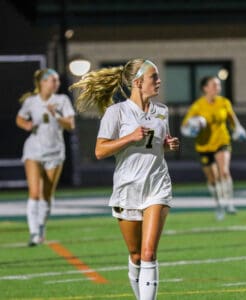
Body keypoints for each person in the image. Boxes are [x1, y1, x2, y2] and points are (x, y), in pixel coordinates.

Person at [71, 59, 179, 300]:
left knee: (149, 252)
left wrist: (167, 144)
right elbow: (100, 151)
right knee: (137, 255)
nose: (159, 81)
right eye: (155, 77)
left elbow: (159, 141)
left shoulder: (161, 111)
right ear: (138, 82)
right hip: (128, 189)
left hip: (157, 185)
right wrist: (129, 137)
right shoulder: (116, 112)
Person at [16, 68, 75, 246]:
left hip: (55, 151)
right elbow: (19, 118)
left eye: (57, 80)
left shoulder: (62, 100)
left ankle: (41, 226)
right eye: (53, 80)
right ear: (42, 82)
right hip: (33, 150)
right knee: (34, 193)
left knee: (46, 194)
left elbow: (70, 125)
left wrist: (55, 114)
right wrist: (26, 124)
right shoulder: (31, 101)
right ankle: (34, 233)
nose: (56, 83)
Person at [181, 76, 246, 220]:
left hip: (222, 141)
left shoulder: (224, 102)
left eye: (218, 85)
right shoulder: (198, 106)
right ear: (205, 88)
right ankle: (218, 205)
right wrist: (194, 126)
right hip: (204, 145)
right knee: (212, 179)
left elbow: (233, 120)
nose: (218, 87)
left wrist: (238, 130)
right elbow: (185, 126)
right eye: (214, 85)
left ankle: (229, 202)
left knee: (224, 171)